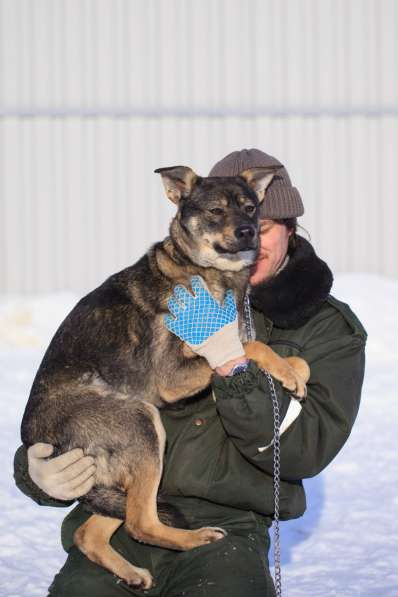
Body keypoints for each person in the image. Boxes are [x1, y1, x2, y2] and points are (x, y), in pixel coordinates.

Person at [13, 148, 367, 596]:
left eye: (258, 224)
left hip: (228, 524)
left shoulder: (327, 327)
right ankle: (117, 530)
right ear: (185, 213)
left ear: (290, 230)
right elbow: (82, 392)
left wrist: (239, 361)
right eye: (218, 215)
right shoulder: (167, 289)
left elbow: (302, 452)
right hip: (124, 491)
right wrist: (35, 473)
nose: (243, 233)